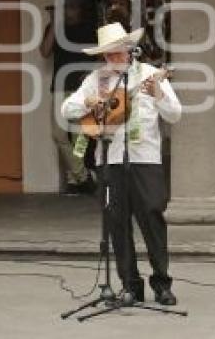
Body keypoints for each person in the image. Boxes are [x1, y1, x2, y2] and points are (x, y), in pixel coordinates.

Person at [61, 22, 181, 305]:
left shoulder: (152, 75)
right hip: (111, 160)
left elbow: (175, 114)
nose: (116, 58)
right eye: (110, 54)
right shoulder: (96, 79)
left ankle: (162, 283)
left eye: (120, 52)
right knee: (117, 222)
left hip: (146, 159)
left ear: (130, 50)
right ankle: (130, 284)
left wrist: (159, 94)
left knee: (152, 217)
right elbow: (68, 109)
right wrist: (92, 101)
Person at [40, 0, 97, 194]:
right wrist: (54, 24)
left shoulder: (89, 30)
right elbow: (45, 51)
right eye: (65, 7)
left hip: (83, 88)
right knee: (59, 134)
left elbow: (101, 56)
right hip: (60, 86)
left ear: (80, 9)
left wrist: (90, 73)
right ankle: (83, 175)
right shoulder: (55, 29)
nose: (68, 11)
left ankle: (76, 179)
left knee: (80, 135)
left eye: (72, 7)